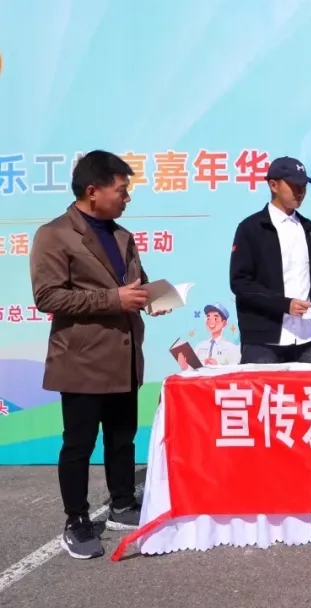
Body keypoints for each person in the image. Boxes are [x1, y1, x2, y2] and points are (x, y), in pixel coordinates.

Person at [29, 150, 168, 559]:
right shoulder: (55, 235)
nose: (127, 198)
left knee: (122, 438)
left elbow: (133, 284)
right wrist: (114, 299)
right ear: (93, 191)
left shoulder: (121, 236)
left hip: (123, 357)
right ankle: (76, 520)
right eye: (121, 190)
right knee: (79, 444)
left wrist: (150, 298)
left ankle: (122, 503)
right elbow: (47, 296)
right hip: (82, 360)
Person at [229, 156, 311, 364]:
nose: (301, 191)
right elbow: (241, 283)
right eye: (295, 185)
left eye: (304, 186)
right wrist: (284, 304)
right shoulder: (251, 228)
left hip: (307, 338)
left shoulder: (310, 229)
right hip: (264, 341)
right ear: (273, 185)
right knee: (261, 387)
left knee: (309, 386)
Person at [176, 302, 241, 369]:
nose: (211, 321)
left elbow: (235, 370)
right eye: (208, 317)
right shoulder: (200, 346)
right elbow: (193, 370)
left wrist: (218, 366)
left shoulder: (230, 348)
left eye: (215, 318)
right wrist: (185, 366)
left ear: (224, 323)